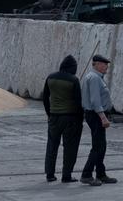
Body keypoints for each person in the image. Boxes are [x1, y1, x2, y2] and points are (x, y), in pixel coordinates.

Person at [42, 55, 83, 183]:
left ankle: (50, 174)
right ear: (72, 68)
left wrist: (50, 113)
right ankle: (66, 176)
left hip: (54, 117)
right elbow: (78, 102)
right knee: (70, 147)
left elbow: (45, 98)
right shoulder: (74, 80)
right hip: (70, 118)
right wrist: (80, 119)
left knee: (52, 146)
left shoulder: (50, 77)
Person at [80, 55, 116, 186]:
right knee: (98, 147)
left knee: (101, 146)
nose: (106, 67)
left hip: (94, 114)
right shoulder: (94, 78)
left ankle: (101, 173)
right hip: (96, 115)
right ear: (97, 64)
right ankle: (86, 174)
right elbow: (95, 100)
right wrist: (103, 117)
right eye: (104, 64)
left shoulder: (94, 77)